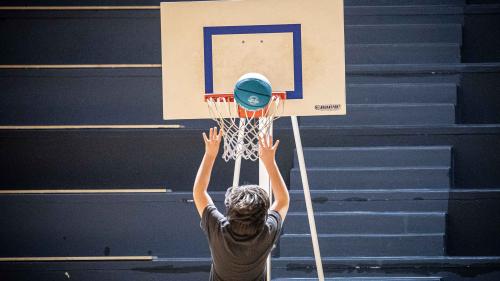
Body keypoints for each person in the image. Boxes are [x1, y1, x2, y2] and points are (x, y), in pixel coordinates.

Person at [193, 126, 290, 281]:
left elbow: (199, 191)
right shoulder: (266, 232)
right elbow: (283, 200)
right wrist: (269, 161)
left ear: (230, 210)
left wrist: (210, 154)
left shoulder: (219, 229)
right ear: (263, 215)